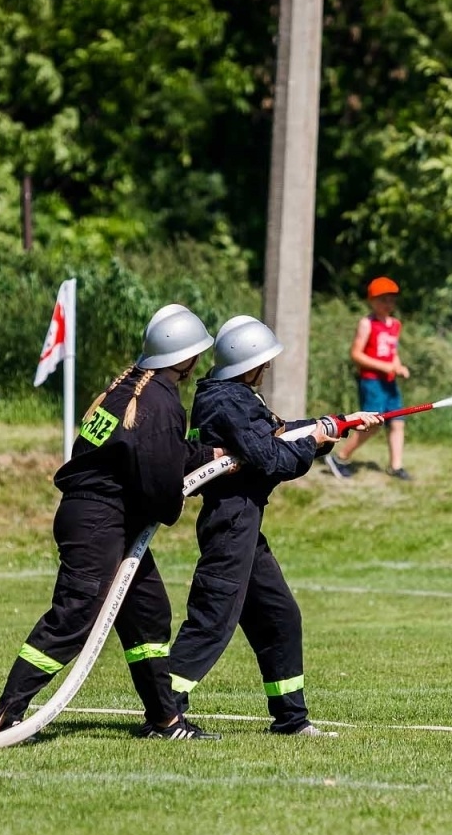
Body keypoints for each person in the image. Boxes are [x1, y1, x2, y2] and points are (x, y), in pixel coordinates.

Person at [0, 304, 223, 741]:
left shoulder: (130, 389)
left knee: (149, 615)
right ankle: (9, 716)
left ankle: (164, 721)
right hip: (100, 522)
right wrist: (173, 501)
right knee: (74, 615)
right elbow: (158, 479)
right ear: (185, 357)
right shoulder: (160, 401)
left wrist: (207, 457)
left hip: (102, 518)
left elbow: (146, 454)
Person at [152, 316, 378, 738]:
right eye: (265, 362)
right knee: (212, 620)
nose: (268, 369)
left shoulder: (234, 396)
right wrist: (314, 443)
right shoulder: (227, 402)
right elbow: (271, 457)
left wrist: (338, 422)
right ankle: (164, 713)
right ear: (248, 362)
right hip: (230, 522)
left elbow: (275, 433)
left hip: (244, 525)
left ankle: (291, 720)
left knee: (279, 617)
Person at [327, 275, 411, 480]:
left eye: (391, 299)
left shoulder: (395, 325)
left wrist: (398, 366)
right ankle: (340, 457)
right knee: (372, 425)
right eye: (382, 299)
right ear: (372, 300)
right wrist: (385, 366)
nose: (387, 303)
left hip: (390, 382)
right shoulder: (367, 323)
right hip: (372, 381)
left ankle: (396, 466)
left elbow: (392, 352)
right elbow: (356, 354)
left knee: (398, 422)